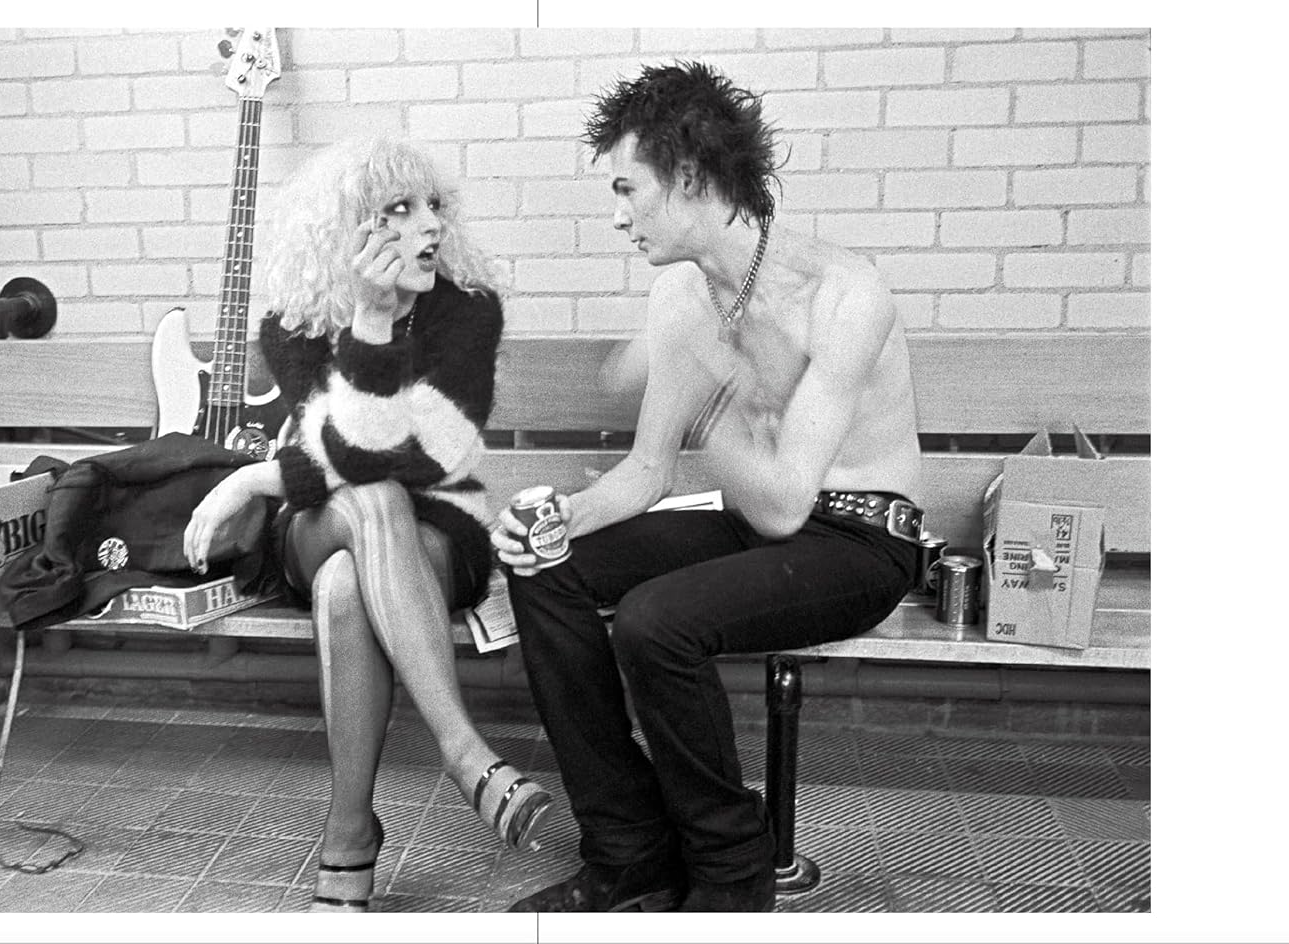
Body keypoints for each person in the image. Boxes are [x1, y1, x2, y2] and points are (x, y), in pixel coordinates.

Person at [490, 61, 925, 913]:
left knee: (657, 622)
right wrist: (560, 519)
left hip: (860, 539)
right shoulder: (681, 297)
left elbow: (785, 503)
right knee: (546, 569)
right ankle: (630, 850)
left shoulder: (845, 294)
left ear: (688, 177)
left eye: (628, 189)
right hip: (754, 526)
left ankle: (730, 871)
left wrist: (707, 379)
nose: (618, 216)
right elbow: (647, 473)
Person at [185, 136, 553, 913]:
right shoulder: (293, 324)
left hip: (440, 526)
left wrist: (254, 477)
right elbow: (348, 459)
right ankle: (463, 751)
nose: (430, 226)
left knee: (349, 580)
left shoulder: (468, 310)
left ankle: (349, 832)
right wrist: (370, 322)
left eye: (434, 206)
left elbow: (432, 452)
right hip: (315, 521)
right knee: (370, 500)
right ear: (347, 226)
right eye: (399, 210)